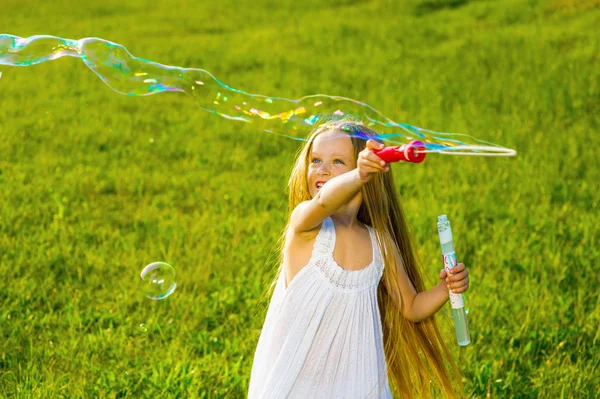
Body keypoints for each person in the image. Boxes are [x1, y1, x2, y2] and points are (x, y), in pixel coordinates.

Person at [248, 118, 470, 399]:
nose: (323, 170)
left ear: (369, 169)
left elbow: (411, 306)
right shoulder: (306, 225)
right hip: (298, 388)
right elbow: (323, 202)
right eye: (316, 160)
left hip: (356, 385)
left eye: (338, 162)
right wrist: (357, 176)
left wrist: (445, 288)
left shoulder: (380, 244)